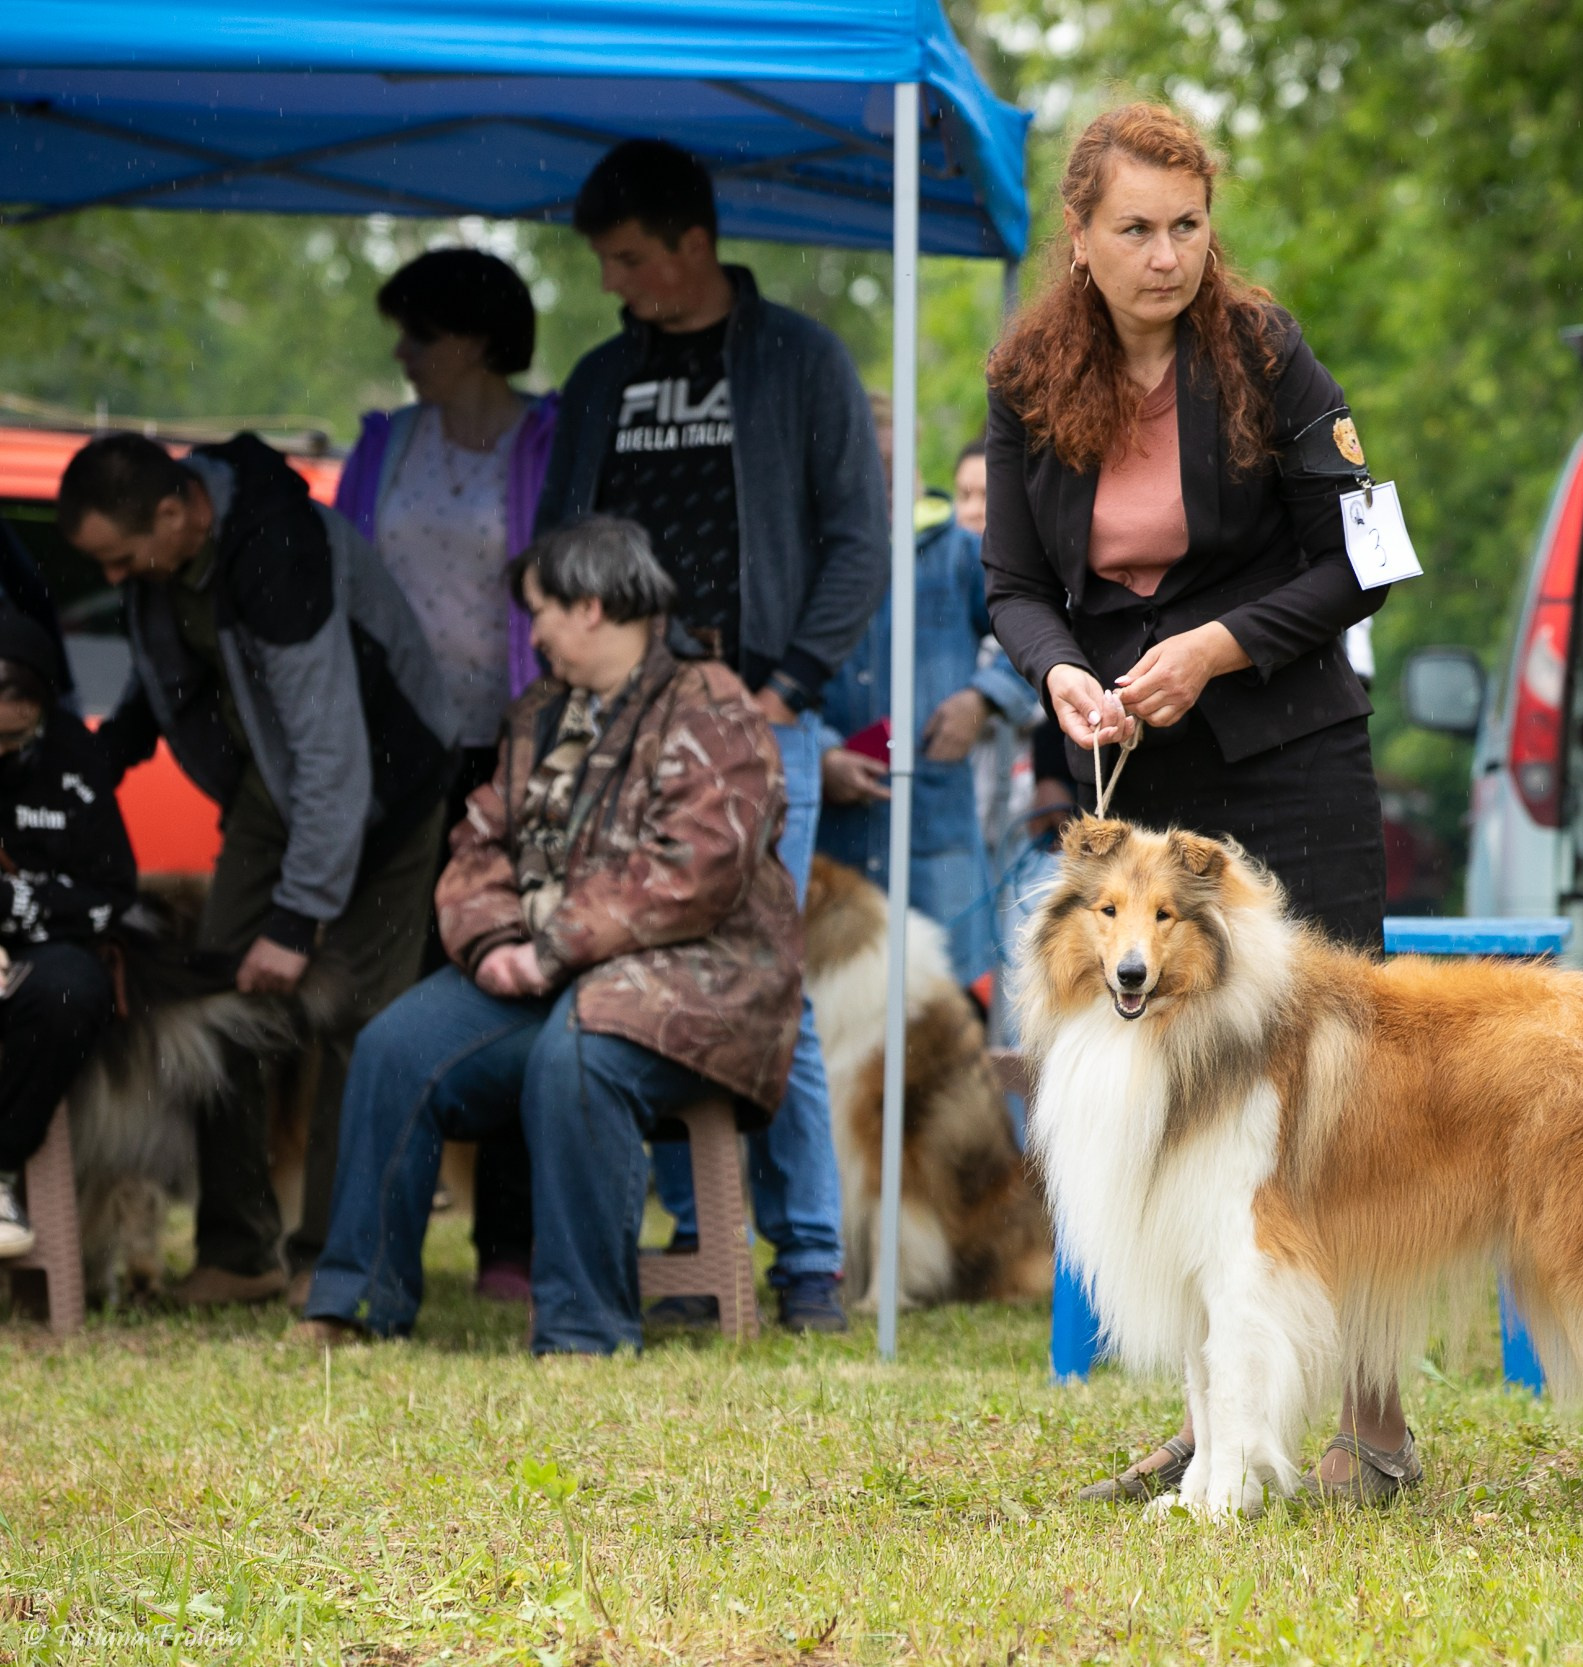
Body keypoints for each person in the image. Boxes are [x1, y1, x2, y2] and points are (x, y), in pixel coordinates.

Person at [981, 103, 1407, 1503]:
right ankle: (1216, 1424)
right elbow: (1014, 586)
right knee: (1175, 1095)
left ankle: (1374, 1424)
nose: (1168, 255)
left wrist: (1218, 644)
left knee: (1328, 1086)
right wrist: (1059, 674)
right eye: (1136, 230)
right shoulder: (1029, 376)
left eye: (1187, 226)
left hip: (1290, 743)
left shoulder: (1269, 355)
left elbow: (1360, 559)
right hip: (1136, 773)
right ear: (1082, 241)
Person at [298, 517, 802, 1354]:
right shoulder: (540, 713)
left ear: (593, 607)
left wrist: (552, 946)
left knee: (582, 1050)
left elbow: (696, 870)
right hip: (547, 974)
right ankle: (354, 1304)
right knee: (394, 1046)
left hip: (706, 979)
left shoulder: (712, 705)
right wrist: (496, 941)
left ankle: (582, 1327)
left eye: (541, 613)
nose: (532, 634)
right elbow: (477, 842)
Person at [538, 137, 887, 1333]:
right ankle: (699, 1245)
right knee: (638, 971)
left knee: (760, 978)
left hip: (754, 722)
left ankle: (808, 1264)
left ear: (695, 244)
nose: (613, 281)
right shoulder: (597, 379)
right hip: (618, 730)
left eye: (630, 257)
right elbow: (556, 539)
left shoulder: (797, 359)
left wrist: (787, 686)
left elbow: (860, 536)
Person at [59, 431, 454, 1307]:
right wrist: (99, 760)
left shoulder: (281, 553)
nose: (117, 579)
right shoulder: (166, 562)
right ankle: (240, 1251)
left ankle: (342, 1262)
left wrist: (295, 919)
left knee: (359, 1023)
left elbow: (335, 760)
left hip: (386, 786)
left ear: (174, 512)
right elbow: (168, 677)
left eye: (123, 560)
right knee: (218, 1000)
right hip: (274, 789)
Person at [333, 245, 560, 1303]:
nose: (402, 354)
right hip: (394, 754)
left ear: (471, 338)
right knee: (393, 987)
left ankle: (508, 1242)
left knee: (512, 976)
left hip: (513, 749)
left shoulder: (545, 440)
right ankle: (372, 1238)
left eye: (417, 334)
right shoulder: (383, 445)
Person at [817, 427, 1040, 984]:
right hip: (833, 837)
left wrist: (981, 699)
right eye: (869, 461)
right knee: (834, 1000)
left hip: (933, 834)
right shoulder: (811, 561)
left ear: (917, 470)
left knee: (939, 1011)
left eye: (897, 462)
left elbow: (1036, 631)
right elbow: (767, 678)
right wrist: (819, 755)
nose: (886, 477)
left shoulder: (958, 554)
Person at [0, 610, 136, 1257]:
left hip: (41, 954)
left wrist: (19, 906)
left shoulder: (73, 759)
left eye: (15, 738)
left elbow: (110, 893)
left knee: (71, 993)